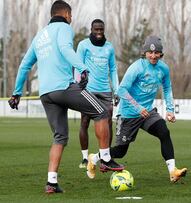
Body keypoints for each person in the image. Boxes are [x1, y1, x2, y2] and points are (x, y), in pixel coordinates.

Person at [7, 0, 123, 194]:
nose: (72, 18)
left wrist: (16, 93)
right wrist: (82, 68)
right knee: (102, 112)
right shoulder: (64, 29)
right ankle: (105, 157)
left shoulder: (39, 36)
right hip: (63, 87)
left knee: (59, 136)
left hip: (46, 93)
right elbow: (65, 48)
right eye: (71, 15)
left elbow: (24, 65)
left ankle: (51, 182)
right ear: (67, 14)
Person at [86, 35, 187, 183]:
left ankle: (173, 171)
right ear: (144, 53)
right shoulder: (136, 67)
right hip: (129, 114)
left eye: (156, 53)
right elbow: (121, 90)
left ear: (160, 53)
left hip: (147, 113)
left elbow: (167, 88)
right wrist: (138, 108)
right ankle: (94, 158)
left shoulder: (163, 69)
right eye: (150, 53)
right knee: (120, 151)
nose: (153, 56)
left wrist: (170, 110)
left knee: (164, 132)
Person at [76, 19, 119, 169]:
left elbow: (113, 69)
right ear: (91, 29)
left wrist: (116, 90)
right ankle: (84, 158)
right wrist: (78, 85)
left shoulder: (109, 47)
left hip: (106, 90)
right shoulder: (83, 45)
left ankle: (106, 157)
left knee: (108, 124)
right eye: (96, 30)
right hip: (89, 90)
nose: (99, 33)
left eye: (101, 30)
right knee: (85, 123)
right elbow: (77, 65)